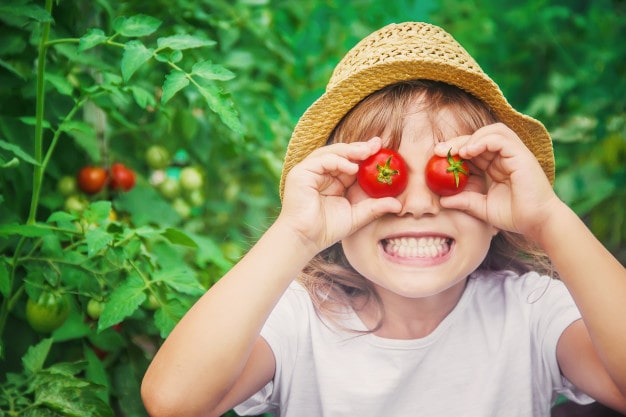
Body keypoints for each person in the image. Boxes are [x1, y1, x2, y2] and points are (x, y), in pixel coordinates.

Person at [141, 22, 626, 417]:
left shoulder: (533, 312)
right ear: (337, 196)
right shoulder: (300, 322)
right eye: (384, 175)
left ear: (499, 202)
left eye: (451, 175)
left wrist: (546, 217)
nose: (417, 204)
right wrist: (295, 233)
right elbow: (175, 402)